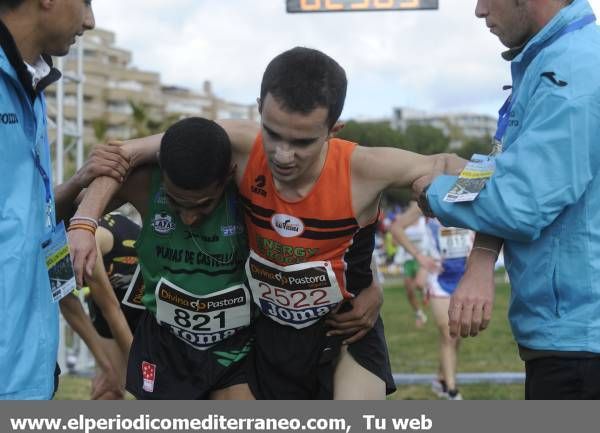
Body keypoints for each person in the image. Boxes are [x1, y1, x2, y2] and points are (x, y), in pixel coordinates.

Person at [69, 47, 467, 400]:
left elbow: (454, 165)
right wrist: (84, 222)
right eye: (273, 134)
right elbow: (124, 156)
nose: (283, 155)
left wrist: (435, 188)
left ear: (334, 130)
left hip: (345, 331)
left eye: (303, 142)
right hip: (268, 336)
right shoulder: (238, 144)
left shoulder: (362, 167)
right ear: (258, 108)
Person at [415, 0, 600, 399]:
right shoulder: (555, 59)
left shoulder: (570, 69)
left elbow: (519, 202)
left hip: (580, 341)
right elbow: (501, 169)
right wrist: (481, 256)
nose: (479, 11)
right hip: (567, 333)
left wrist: (429, 189)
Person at [70, 117, 256, 400]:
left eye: (204, 204)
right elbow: (107, 173)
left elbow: (247, 133)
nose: (189, 217)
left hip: (234, 347)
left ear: (230, 175)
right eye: (175, 202)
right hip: (166, 345)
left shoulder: (251, 183)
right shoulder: (147, 184)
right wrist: (84, 223)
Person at [0, 0, 131, 399]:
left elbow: (37, 235)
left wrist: (76, 184)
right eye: (88, 2)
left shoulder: (31, 88)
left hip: (32, 377)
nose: (90, 21)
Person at [60, 212, 142, 399]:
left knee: (154, 389)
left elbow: (112, 308)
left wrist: (141, 375)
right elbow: (66, 301)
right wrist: (105, 365)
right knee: (109, 389)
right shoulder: (58, 247)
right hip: (108, 309)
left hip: (143, 307)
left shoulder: (93, 240)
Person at [390, 201, 439, 328]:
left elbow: (431, 237)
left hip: (422, 257)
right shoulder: (402, 222)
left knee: (418, 284)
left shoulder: (424, 221)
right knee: (410, 291)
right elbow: (395, 240)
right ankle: (419, 314)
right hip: (408, 259)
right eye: (412, 206)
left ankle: (426, 290)